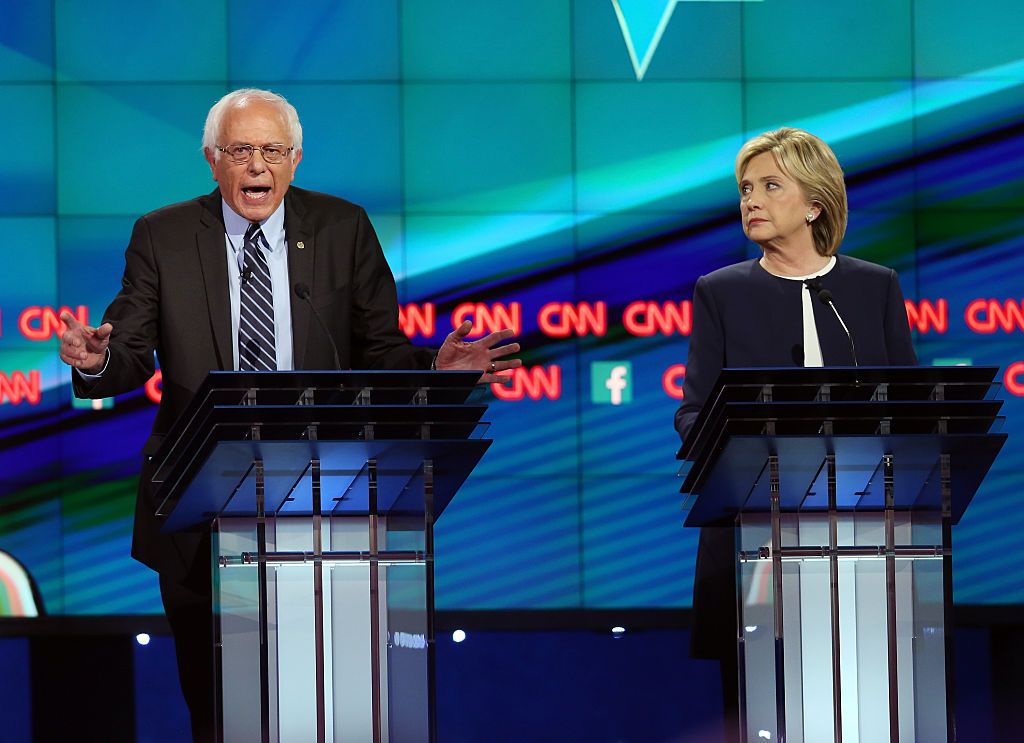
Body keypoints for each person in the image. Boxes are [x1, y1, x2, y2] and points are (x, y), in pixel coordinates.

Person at [57, 88, 520, 742]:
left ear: (296, 159)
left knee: (324, 709)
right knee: (219, 713)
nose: (257, 166)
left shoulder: (341, 228)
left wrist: (433, 373)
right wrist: (95, 363)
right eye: (241, 150)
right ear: (212, 160)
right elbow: (128, 351)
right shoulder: (162, 235)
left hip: (329, 503)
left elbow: (378, 349)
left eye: (272, 150)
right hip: (200, 512)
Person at [674, 127, 917, 742]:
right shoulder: (721, 292)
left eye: (770, 186)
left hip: (861, 531)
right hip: (754, 532)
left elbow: (912, 410)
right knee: (758, 706)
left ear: (814, 204)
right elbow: (693, 412)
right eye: (746, 188)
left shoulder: (873, 287)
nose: (751, 200)